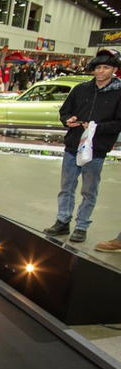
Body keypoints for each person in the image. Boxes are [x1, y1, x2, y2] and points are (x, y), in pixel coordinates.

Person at [43, 49, 121, 243]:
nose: (101, 71)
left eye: (106, 68)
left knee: (89, 190)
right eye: (98, 68)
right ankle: (62, 220)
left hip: (96, 149)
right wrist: (67, 120)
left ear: (114, 70)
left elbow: (119, 123)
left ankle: (81, 226)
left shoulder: (118, 94)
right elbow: (65, 110)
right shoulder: (81, 89)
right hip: (73, 145)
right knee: (66, 186)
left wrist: (97, 128)